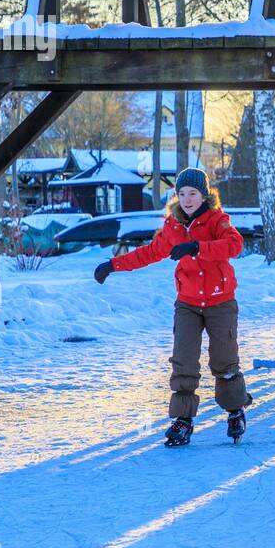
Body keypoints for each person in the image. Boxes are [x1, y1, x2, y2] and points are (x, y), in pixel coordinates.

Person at [93, 167, 252, 446]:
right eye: (182, 194)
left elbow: (234, 245)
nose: (187, 199)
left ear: (204, 195)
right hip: (188, 303)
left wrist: (197, 248)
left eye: (193, 193)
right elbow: (151, 252)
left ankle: (235, 410)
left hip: (220, 301)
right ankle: (182, 420)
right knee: (184, 360)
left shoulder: (217, 220)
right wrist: (113, 265)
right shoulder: (173, 226)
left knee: (224, 360)